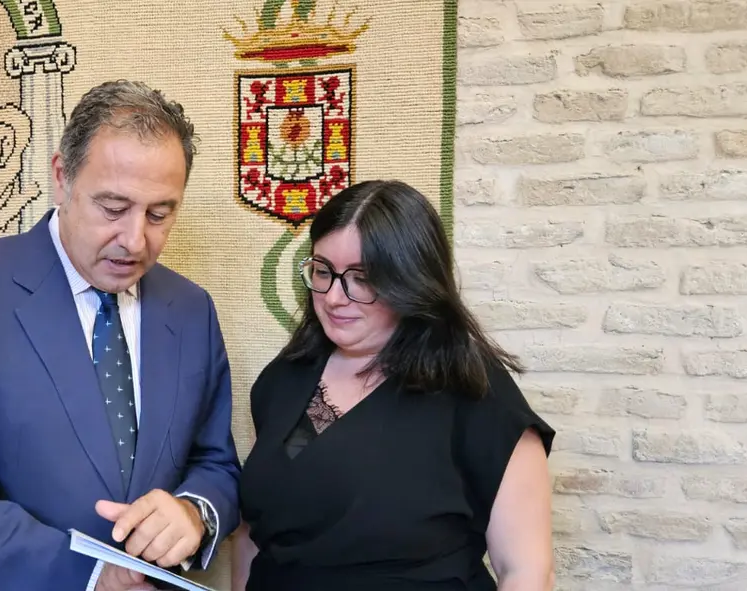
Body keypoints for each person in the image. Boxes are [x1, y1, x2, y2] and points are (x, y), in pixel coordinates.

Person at [0, 80, 241, 591]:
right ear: (62, 177)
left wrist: (194, 514)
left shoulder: (192, 309)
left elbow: (216, 464)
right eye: (113, 208)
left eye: (159, 214)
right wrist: (89, 575)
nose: (135, 240)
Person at [231, 180, 556, 591]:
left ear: (411, 281)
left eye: (362, 277)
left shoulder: (476, 391)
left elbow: (527, 572)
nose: (334, 297)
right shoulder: (284, 378)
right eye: (323, 271)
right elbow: (254, 533)